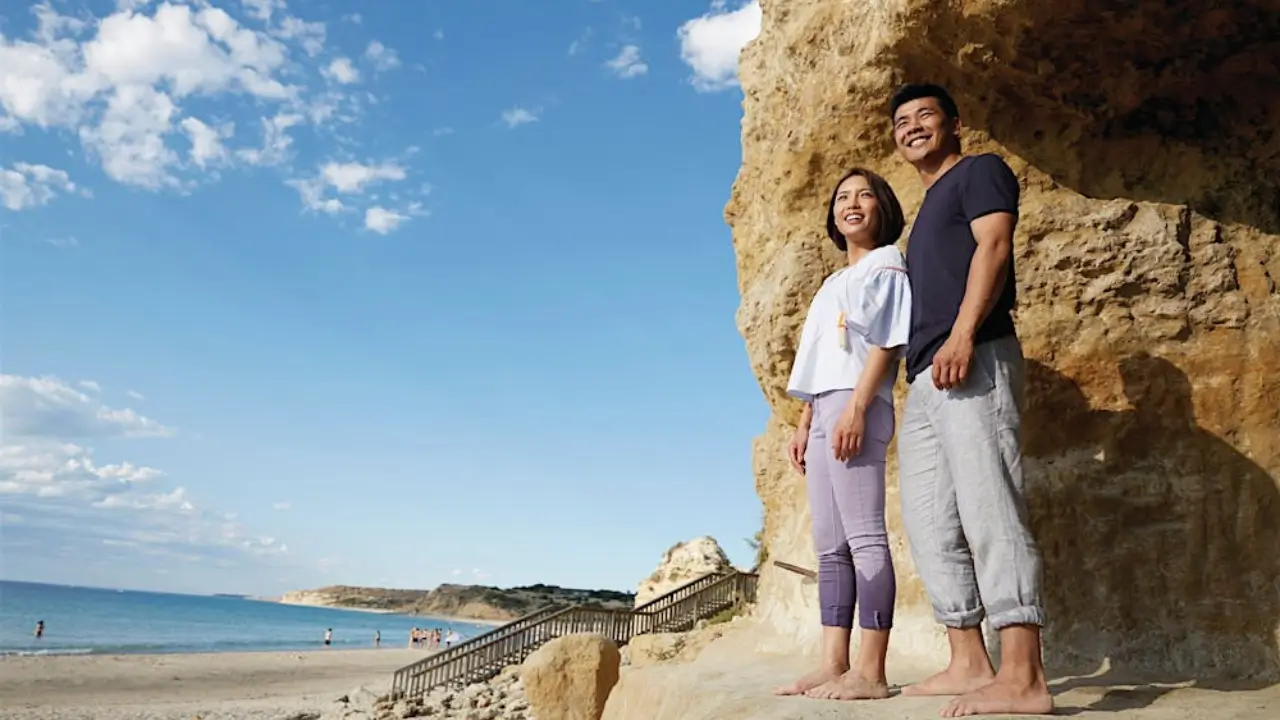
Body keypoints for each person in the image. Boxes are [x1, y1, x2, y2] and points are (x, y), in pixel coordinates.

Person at [889, 82, 1053, 717]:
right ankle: (967, 660)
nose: (912, 128)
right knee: (931, 523)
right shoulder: (927, 207)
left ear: (954, 123)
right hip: (926, 378)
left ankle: (1025, 676)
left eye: (925, 115)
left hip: (974, 355)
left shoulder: (980, 172)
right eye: (902, 122)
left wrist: (962, 335)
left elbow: (995, 246)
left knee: (991, 509)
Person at [773, 168, 913, 701]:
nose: (851, 204)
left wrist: (856, 408)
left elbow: (886, 343)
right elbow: (821, 359)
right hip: (823, 411)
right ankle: (834, 662)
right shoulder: (832, 282)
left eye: (864, 196)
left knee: (865, 538)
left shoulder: (887, 262)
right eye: (842, 198)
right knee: (830, 548)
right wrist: (805, 420)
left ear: (883, 207)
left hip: (859, 405)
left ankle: (872, 671)